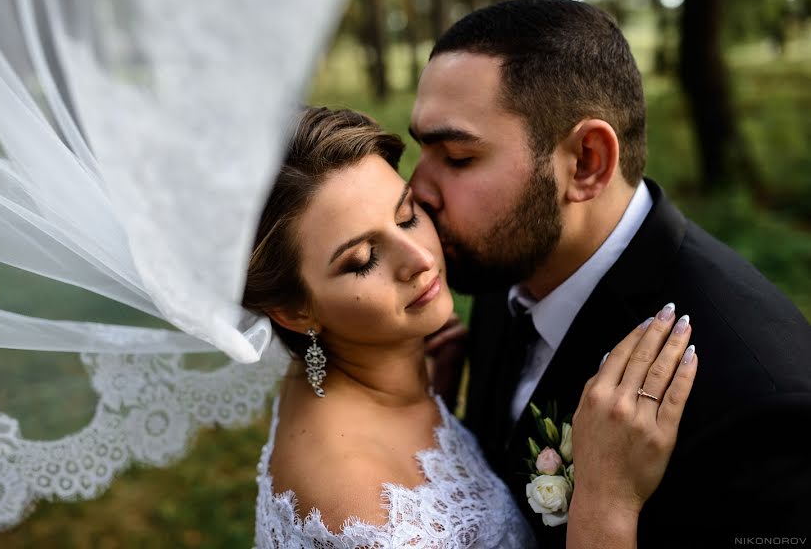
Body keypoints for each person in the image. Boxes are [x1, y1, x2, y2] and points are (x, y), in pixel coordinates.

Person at [409, 0, 811, 548]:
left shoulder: (759, 401)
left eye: (457, 157)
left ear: (587, 162)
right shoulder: (509, 260)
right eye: (422, 152)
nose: (417, 192)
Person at [245, 106, 698, 548]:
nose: (420, 259)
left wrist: (434, 399)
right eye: (362, 261)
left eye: (407, 216)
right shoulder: (362, 514)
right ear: (293, 311)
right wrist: (605, 503)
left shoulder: (315, 380)